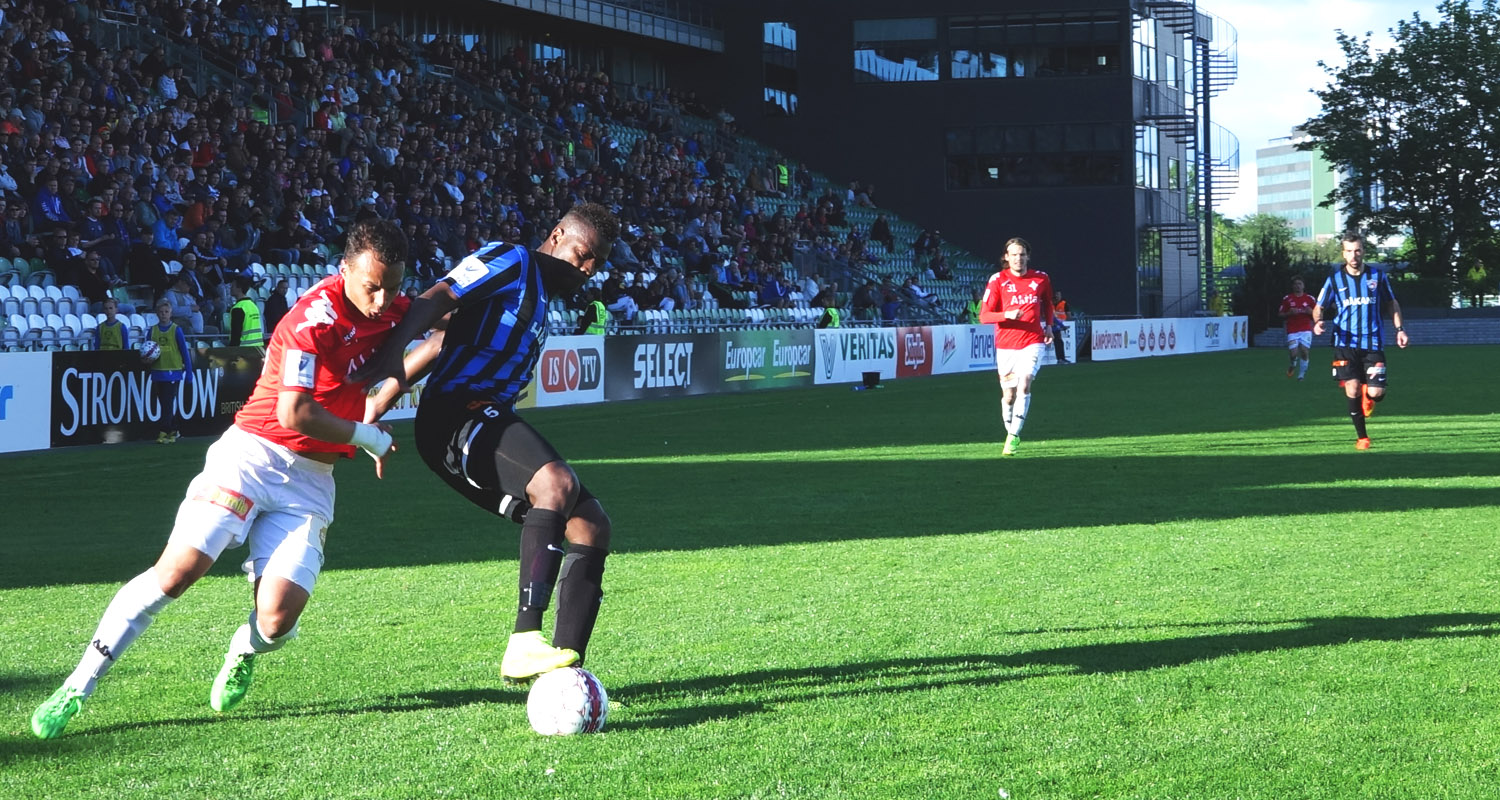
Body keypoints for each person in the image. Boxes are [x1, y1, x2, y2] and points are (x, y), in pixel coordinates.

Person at [30, 220, 412, 740]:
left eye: (392, 286)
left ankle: (243, 648)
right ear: (343, 269)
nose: (382, 298)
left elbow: (439, 307)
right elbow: (296, 413)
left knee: (276, 623)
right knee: (178, 574)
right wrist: (369, 435)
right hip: (252, 456)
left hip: (311, 480)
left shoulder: (392, 305)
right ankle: (78, 684)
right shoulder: (310, 319)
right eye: (372, 286)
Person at [356, 202, 620, 684]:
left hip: (480, 418)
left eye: (597, 262)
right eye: (583, 254)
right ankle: (523, 640)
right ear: (557, 234)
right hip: (455, 416)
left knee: (590, 526)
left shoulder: (539, 298)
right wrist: (391, 356)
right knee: (555, 484)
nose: (587, 269)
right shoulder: (513, 260)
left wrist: (379, 403)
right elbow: (438, 299)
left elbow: (442, 343)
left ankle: (566, 680)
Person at [1313, 233, 1409, 450]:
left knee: (1377, 393)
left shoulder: (1378, 276)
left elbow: (1392, 303)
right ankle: (1362, 437)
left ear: (1363, 251)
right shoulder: (1334, 280)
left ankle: (1370, 394)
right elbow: (1319, 306)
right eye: (1349, 251)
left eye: (1357, 250)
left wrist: (1400, 329)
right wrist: (1318, 321)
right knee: (1352, 389)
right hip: (1344, 343)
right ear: (1343, 253)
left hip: (1373, 342)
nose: (1353, 255)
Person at [978, 237, 1055, 456]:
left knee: (1025, 383)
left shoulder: (1041, 279)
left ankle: (1013, 436)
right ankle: (1010, 430)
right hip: (1006, 345)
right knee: (1009, 395)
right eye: (1013, 254)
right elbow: (983, 316)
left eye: (1022, 254)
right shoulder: (998, 280)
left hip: (1033, 341)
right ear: (1005, 257)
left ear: (1027, 256)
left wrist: (1049, 326)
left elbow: (1048, 302)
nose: (1018, 258)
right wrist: (1006, 314)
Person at [145, 300, 195, 444]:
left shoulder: (176, 330)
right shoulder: (152, 331)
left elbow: (185, 352)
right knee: (164, 403)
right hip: (157, 371)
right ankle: (174, 429)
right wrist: (146, 361)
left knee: (167, 403)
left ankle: (163, 431)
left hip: (173, 371)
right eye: (161, 312)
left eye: (166, 312)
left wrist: (189, 373)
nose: (163, 315)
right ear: (157, 313)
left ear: (171, 313)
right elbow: (147, 351)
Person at [1277, 276, 1315, 380]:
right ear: (1293, 286)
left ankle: (1301, 375)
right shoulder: (1287, 299)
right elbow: (1280, 314)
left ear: (1303, 286)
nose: (1297, 286)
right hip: (1292, 330)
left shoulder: (1310, 299)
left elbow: (1318, 314)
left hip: (1306, 329)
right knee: (1293, 353)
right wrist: (1289, 313)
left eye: (1300, 284)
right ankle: (1293, 364)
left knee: (1304, 351)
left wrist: (1311, 312)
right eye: (1295, 284)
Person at [225, 277, 265, 348]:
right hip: (258, 348)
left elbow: (236, 334)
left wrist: (231, 352)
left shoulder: (238, 308)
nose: (230, 288)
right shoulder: (253, 305)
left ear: (239, 288)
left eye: (233, 286)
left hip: (244, 350)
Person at [1051, 290, 1071, 365]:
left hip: (1053, 327)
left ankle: (1061, 358)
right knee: (1058, 342)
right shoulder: (1050, 305)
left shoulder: (1051, 304)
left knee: (1059, 342)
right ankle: (1060, 359)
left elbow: (1054, 318)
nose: (1056, 298)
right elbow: (1054, 318)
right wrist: (1063, 326)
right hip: (1050, 327)